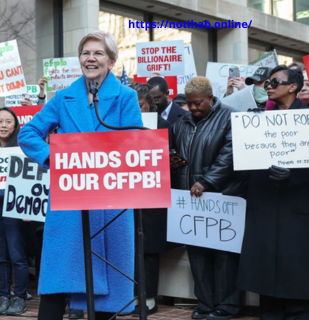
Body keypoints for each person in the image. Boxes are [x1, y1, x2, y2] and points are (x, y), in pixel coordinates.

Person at [19, 30, 142, 320]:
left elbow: (135, 142)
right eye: (86, 53)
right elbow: (28, 133)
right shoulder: (63, 98)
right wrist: (52, 157)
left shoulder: (126, 97)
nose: (91, 58)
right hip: (71, 201)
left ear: (111, 60)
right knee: (58, 280)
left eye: (98, 53)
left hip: (111, 202)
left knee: (107, 290)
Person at [169, 77, 247, 320]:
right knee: (198, 255)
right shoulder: (181, 122)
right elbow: (172, 148)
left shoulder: (231, 118)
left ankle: (227, 306)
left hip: (222, 197)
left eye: (197, 103)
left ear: (211, 99)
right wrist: (174, 158)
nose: (192, 108)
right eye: (189, 104)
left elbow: (230, 157)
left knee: (224, 256)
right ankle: (205, 304)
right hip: (191, 198)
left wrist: (207, 181)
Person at [237, 66, 309, 320]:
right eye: (267, 81)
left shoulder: (308, 118)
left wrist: (295, 176)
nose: (269, 85)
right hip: (263, 207)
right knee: (265, 281)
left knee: (298, 281)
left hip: (297, 210)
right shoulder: (256, 119)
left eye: (276, 81)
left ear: (293, 87)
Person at [125, 83, 176, 316]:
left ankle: (149, 297)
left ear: (149, 104)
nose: (135, 109)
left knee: (148, 251)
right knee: (128, 248)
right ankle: (130, 295)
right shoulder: (116, 127)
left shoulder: (163, 127)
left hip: (153, 199)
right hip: (126, 197)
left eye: (140, 105)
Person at [0, 107, 29, 316]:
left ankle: (19, 296)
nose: (3, 125)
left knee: (17, 255)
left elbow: (23, 183)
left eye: (8, 121)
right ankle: (3, 295)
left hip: (14, 209)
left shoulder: (22, 149)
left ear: (15, 125)